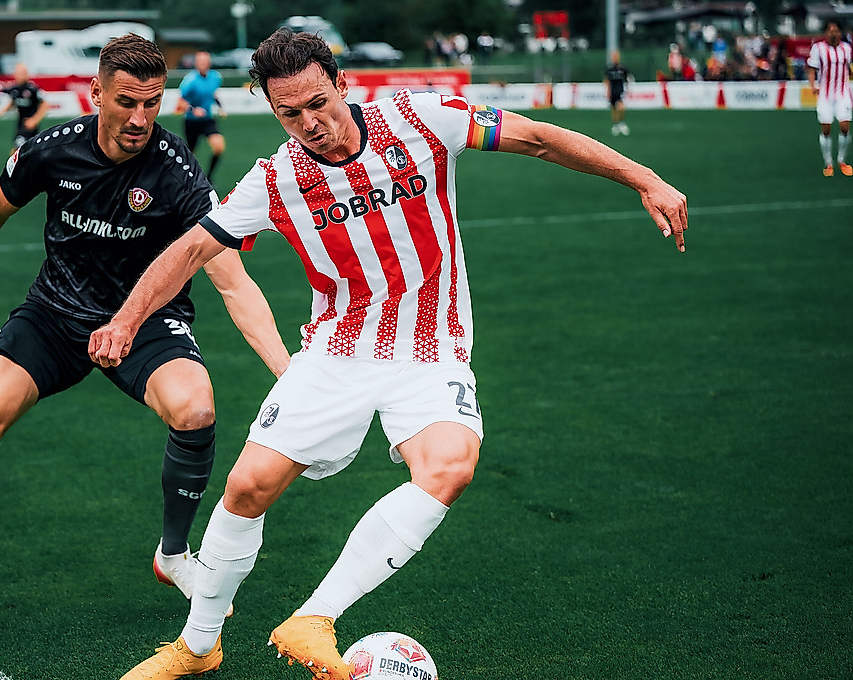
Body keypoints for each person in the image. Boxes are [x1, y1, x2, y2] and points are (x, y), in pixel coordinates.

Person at [91, 28, 688, 680]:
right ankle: (198, 647)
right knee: (246, 488)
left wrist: (645, 178)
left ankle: (314, 617)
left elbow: (538, 137)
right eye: (290, 114)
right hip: (336, 352)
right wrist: (126, 320)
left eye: (318, 103)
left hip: (431, 349)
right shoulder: (275, 179)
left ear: (343, 84)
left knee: (451, 466)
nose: (310, 123)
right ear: (272, 112)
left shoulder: (422, 120)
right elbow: (191, 250)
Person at [0, 34, 290, 639]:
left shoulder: (178, 171)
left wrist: (289, 373)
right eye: (126, 101)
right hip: (55, 313)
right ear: (94, 92)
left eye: (152, 103)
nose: (140, 118)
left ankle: (173, 556)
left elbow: (233, 283)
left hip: (146, 320)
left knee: (196, 407)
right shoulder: (53, 149)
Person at [806, 19, 852, 177]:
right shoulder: (818, 48)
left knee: (845, 126)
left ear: (840, 33)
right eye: (831, 30)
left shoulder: (847, 48)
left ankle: (841, 160)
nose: (834, 33)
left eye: (836, 30)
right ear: (826, 33)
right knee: (826, 129)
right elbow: (812, 69)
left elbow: (848, 68)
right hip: (825, 94)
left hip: (843, 93)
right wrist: (812, 84)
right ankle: (828, 163)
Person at [176, 50, 226, 183]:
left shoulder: (216, 77)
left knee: (219, 147)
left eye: (206, 61)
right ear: (196, 64)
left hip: (207, 119)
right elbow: (180, 103)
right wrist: (193, 110)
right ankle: (190, 180)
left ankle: (209, 178)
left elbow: (213, 94)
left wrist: (220, 106)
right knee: (190, 154)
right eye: (201, 62)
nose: (204, 64)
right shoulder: (190, 81)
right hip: (192, 122)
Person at [0, 63, 51, 149]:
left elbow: (45, 104)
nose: (19, 76)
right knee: (22, 150)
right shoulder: (14, 90)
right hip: (20, 124)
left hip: (29, 126)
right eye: (17, 73)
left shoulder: (33, 89)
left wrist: (34, 120)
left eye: (21, 74)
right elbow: (11, 104)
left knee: (18, 149)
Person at [605, 50, 632, 136]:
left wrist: (627, 89)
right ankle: (615, 124)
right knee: (613, 108)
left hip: (620, 90)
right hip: (612, 91)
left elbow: (628, 78)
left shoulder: (622, 68)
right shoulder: (609, 69)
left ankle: (622, 122)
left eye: (616, 56)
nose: (615, 58)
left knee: (621, 107)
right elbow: (606, 81)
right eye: (613, 57)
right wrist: (608, 91)